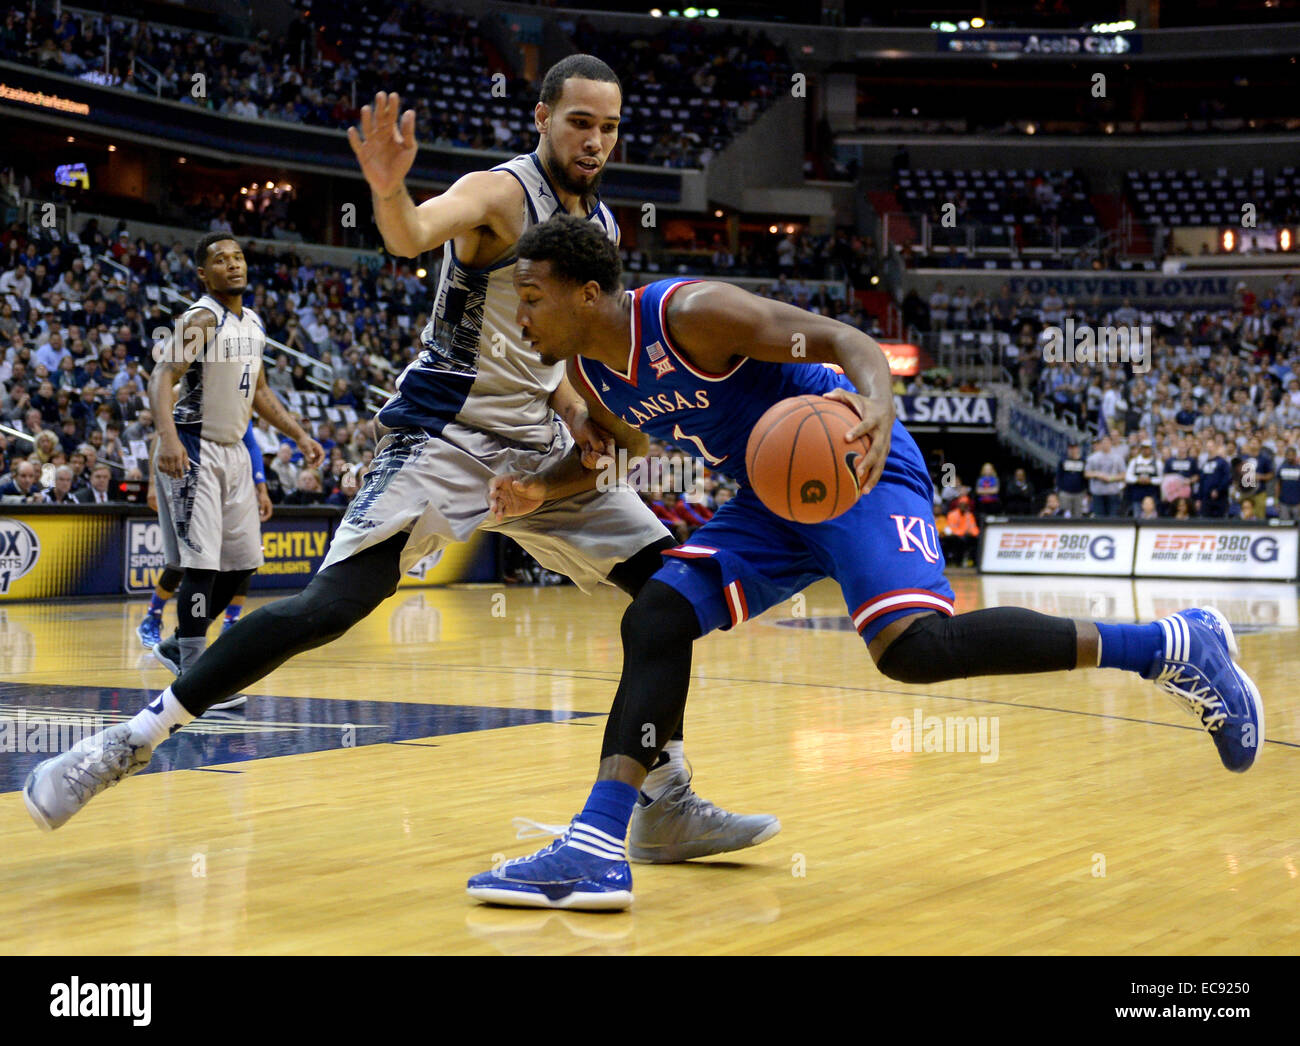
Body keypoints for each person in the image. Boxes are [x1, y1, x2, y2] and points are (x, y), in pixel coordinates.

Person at [23, 61, 776, 861]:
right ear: (542, 117)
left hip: (537, 444)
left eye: (609, 127)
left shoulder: (606, 227)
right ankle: (125, 743)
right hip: (444, 437)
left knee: (671, 594)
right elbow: (413, 233)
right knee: (328, 608)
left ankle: (666, 802)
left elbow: (546, 353)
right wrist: (389, 190)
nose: (595, 140)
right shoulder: (498, 194)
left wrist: (577, 413)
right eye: (579, 122)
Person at [461, 214, 1264, 910]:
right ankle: (602, 842)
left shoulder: (691, 313)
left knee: (913, 652)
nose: (520, 316)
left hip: (852, 463)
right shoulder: (593, 377)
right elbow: (615, 457)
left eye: (531, 298)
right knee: (658, 614)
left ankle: (1169, 646)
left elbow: (845, 340)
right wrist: (537, 488)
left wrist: (877, 404)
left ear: (586, 295)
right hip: (772, 498)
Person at [146, 232, 323, 699]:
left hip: (235, 451)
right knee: (201, 566)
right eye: (220, 260)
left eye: (238, 257)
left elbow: (260, 392)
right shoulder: (203, 318)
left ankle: (175, 647)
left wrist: (299, 434)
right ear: (204, 274)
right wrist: (167, 439)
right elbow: (161, 376)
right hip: (192, 445)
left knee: (242, 566)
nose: (233, 265)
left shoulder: (255, 323)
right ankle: (194, 677)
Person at [137, 419, 273, 650]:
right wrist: (152, 482)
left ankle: (230, 621)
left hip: (233, 480)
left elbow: (251, 444)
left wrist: (261, 486)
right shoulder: (186, 392)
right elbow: (161, 436)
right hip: (194, 474)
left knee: (242, 559)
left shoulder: (237, 400)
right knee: (191, 560)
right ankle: (154, 616)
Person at [1085, 435, 1126, 517]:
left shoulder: (1118, 458)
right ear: (1100, 444)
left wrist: (1111, 478)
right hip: (1098, 494)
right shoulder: (1092, 458)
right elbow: (1086, 473)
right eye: (1103, 442)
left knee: (1113, 519)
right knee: (1099, 520)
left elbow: (1123, 475)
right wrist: (1098, 474)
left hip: (1113, 494)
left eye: (1107, 442)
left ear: (1111, 443)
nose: (1105, 444)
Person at [1055, 441, 1087, 519]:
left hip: (1079, 493)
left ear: (1078, 449)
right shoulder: (1063, 461)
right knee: (1065, 515)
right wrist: (1059, 490)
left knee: (1078, 515)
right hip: (1065, 493)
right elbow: (1059, 476)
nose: (1073, 450)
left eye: (1074, 448)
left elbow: (1086, 477)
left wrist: (1086, 491)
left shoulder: (1083, 461)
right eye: (1071, 448)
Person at [1275, 445, 1300, 521]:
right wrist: (1276, 501)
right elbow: (1278, 485)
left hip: (1297, 503)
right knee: (1284, 525)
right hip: (1283, 502)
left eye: (1292, 455)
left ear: (1295, 456)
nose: (1290, 457)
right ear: (1285, 456)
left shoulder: (1299, 468)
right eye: (1288, 455)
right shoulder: (1281, 468)